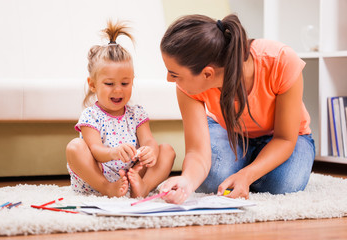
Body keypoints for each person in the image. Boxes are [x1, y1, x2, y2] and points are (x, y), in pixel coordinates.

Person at [159, 14, 315, 204]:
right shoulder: (186, 87)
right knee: (210, 181)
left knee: (284, 184)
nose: (169, 79)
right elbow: (197, 152)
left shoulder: (281, 61)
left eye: (174, 74)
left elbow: (284, 139)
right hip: (229, 132)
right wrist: (187, 180)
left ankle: (247, 167)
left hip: (284, 137)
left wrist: (247, 175)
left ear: (207, 73)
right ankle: (247, 165)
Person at [66, 20, 175, 198]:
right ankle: (107, 188)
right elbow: (95, 150)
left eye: (125, 83)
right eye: (109, 84)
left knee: (167, 150)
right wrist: (113, 152)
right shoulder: (90, 115)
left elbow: (148, 140)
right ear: (92, 84)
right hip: (98, 174)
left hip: (132, 173)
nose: (118, 90)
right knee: (74, 147)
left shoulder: (136, 113)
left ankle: (143, 187)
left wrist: (150, 152)